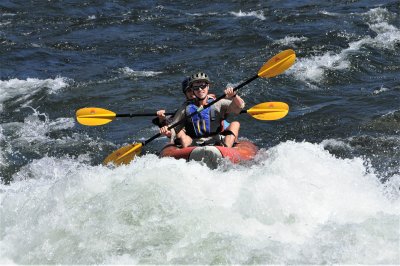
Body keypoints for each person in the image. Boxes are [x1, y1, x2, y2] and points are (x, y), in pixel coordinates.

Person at [160, 72, 245, 148]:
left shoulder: (218, 103)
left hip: (216, 141)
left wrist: (234, 96)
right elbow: (174, 127)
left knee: (235, 124)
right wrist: (167, 130)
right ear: (193, 90)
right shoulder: (185, 108)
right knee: (181, 134)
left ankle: (227, 151)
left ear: (208, 86)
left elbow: (239, 107)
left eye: (203, 86)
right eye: (196, 88)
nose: (200, 90)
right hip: (194, 143)